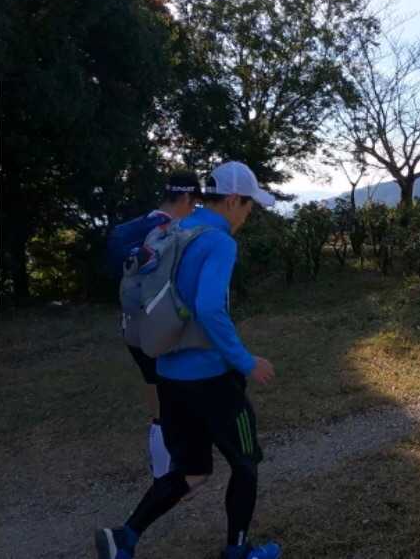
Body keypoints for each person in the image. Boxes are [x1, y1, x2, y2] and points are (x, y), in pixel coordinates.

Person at [96, 162, 280, 559]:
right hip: (212, 380)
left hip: (168, 375)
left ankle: (124, 538)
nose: (248, 214)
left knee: (192, 470)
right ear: (233, 200)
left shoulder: (172, 229)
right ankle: (239, 552)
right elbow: (210, 308)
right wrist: (245, 361)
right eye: (249, 206)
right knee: (245, 463)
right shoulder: (219, 242)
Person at [106, 171, 203, 482]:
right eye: (194, 202)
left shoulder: (138, 227)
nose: (194, 208)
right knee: (178, 397)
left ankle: (161, 468)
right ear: (186, 197)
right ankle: (175, 471)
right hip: (160, 328)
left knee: (157, 401)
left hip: (131, 327)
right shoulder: (170, 231)